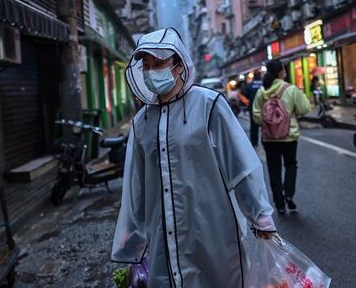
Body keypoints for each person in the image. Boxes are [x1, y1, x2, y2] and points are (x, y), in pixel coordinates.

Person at [111, 28, 277, 287]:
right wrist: (132, 237)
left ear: (178, 65)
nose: (152, 70)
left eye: (160, 63)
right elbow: (136, 188)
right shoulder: (141, 122)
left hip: (211, 230)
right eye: (147, 65)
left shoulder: (209, 105)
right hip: (162, 236)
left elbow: (239, 167)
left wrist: (260, 215)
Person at [252, 60, 310, 214]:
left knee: (273, 170)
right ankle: (289, 194)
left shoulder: (261, 92)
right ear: (281, 72)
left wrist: (268, 123)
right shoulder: (290, 89)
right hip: (289, 136)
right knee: (291, 165)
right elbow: (304, 108)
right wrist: (291, 114)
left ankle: (279, 204)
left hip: (269, 138)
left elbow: (256, 116)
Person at [242, 70, 263, 146]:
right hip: (263, 107)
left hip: (253, 107)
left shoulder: (250, 85)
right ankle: (264, 141)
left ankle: (254, 142)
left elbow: (246, 95)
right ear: (260, 76)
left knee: (254, 125)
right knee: (265, 124)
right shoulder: (264, 84)